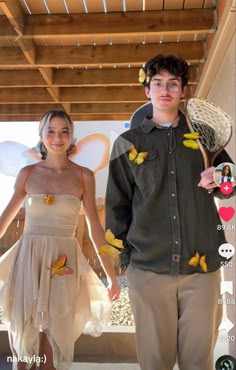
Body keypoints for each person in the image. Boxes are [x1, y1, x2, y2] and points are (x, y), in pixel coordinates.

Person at [105, 54, 235, 370]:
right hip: (148, 269)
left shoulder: (204, 137)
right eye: (158, 84)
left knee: (198, 362)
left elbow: (230, 181)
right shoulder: (127, 143)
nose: (165, 90)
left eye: (173, 84)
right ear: (147, 90)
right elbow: (117, 206)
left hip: (201, 270)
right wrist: (126, 263)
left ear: (183, 90)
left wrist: (221, 177)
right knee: (154, 363)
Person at [0, 110, 120, 370]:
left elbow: (95, 228)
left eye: (64, 131)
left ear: (71, 135)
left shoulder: (83, 176)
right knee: (23, 352)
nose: (57, 137)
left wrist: (110, 274)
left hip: (64, 264)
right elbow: (3, 221)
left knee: (52, 350)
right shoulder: (27, 174)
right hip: (28, 261)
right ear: (41, 136)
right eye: (51, 131)